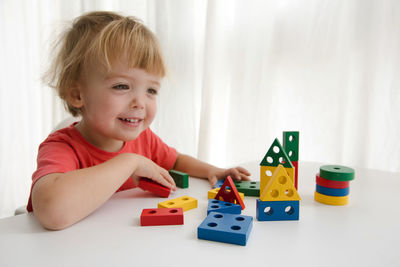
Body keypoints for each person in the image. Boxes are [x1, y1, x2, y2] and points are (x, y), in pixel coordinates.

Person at [27, 11, 251, 230]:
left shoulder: (145, 139)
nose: (140, 103)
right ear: (78, 95)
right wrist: (129, 163)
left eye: (151, 90)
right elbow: (52, 212)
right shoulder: (61, 147)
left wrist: (212, 170)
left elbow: (175, 161)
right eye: (121, 86)